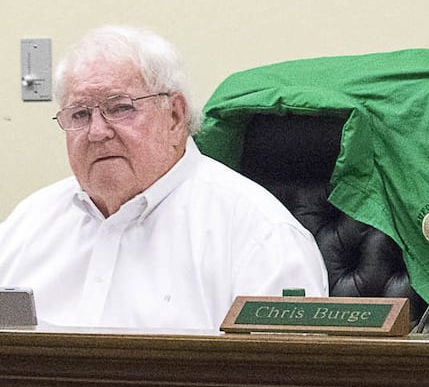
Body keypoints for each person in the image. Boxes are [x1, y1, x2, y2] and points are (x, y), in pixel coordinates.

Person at [0, 26, 328, 329]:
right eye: (80, 114)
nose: (97, 132)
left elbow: (289, 381)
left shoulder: (261, 236)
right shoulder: (28, 225)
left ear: (174, 116)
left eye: (119, 108)